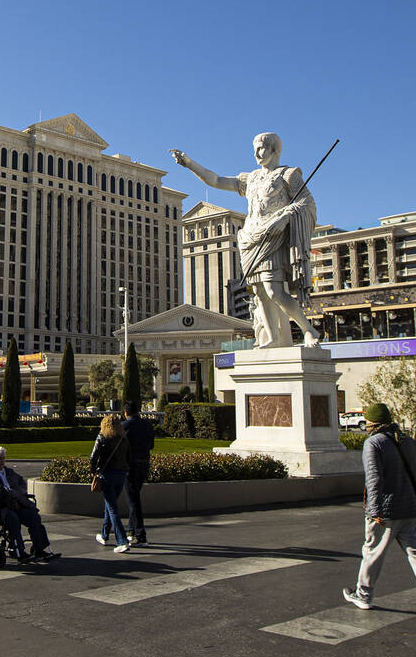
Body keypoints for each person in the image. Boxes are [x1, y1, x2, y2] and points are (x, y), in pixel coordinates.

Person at [171, 133, 320, 349]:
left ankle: (308, 329)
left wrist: (286, 216)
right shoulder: (250, 178)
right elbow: (216, 180)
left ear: (274, 149)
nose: (256, 153)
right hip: (251, 238)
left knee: (274, 291)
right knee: (260, 293)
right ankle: (273, 338)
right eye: (255, 149)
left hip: (274, 238)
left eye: (261, 148)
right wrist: (190, 164)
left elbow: (307, 204)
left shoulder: (288, 175)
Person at [343, 403, 416, 622]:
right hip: (410, 508)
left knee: (372, 553)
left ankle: (363, 594)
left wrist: (373, 511)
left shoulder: (373, 443)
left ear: (371, 422)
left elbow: (373, 480)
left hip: (387, 511)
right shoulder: (409, 441)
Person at [0, 446, 59, 562]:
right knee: (13, 520)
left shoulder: (10, 472)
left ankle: (39, 549)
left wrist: (15, 493)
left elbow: (22, 485)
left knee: (33, 517)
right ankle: (19, 552)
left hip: (16, 503)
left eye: (3, 458)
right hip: (1, 507)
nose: (1, 461)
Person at [90, 414, 131, 553]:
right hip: (121, 475)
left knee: (112, 508)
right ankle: (104, 535)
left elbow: (93, 457)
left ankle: (122, 541)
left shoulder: (102, 437)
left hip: (107, 475)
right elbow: (128, 457)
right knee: (110, 505)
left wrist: (94, 472)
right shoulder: (123, 439)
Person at [121, 402, 154, 547]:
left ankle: (140, 535)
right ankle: (131, 531)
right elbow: (151, 445)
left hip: (130, 466)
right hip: (144, 463)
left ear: (126, 412)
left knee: (133, 500)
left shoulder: (124, 426)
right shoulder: (147, 425)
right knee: (134, 498)